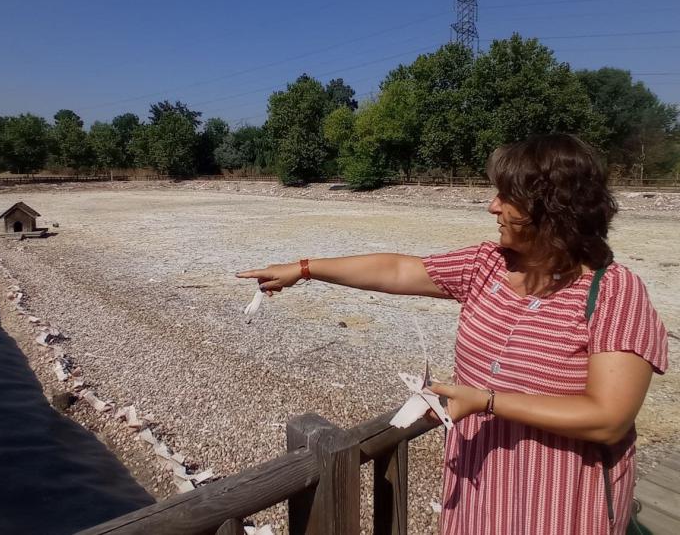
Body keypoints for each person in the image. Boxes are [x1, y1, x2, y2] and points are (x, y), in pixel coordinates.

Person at [237, 134, 668, 535]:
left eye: (506, 197)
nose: (491, 207)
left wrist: (487, 401)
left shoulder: (613, 291)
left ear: (551, 208)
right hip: (480, 490)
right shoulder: (488, 264)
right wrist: (305, 268)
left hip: (560, 501)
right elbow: (400, 269)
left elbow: (610, 419)